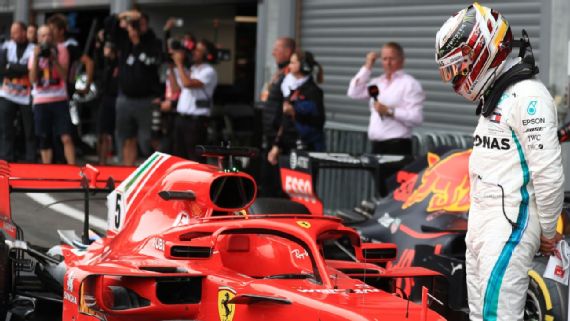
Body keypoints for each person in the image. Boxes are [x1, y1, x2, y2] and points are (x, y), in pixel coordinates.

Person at [435, 3, 564, 321]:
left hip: (509, 227)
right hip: (482, 224)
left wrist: (548, 230)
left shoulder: (528, 96)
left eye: (458, 67)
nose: (457, 77)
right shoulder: (495, 95)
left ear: (482, 50)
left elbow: (548, 172)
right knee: (481, 316)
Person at [104, 10, 162, 165]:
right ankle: (127, 172)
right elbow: (108, 25)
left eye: (140, 23)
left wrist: (137, 43)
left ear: (146, 24)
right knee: (126, 137)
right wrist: (123, 15)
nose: (136, 27)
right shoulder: (125, 40)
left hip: (146, 100)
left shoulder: (153, 42)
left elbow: (151, 62)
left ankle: (157, 171)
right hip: (125, 99)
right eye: (134, 24)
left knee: (148, 140)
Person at [347, 42, 424, 156]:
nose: (388, 63)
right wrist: (368, 66)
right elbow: (353, 92)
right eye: (384, 59)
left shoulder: (410, 84)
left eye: (392, 59)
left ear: (401, 60)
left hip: (397, 146)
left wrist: (390, 112)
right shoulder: (377, 82)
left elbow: (417, 118)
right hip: (376, 145)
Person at [268, 50, 325, 164]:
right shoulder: (293, 90)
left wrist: (295, 111)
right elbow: (285, 122)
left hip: (306, 148)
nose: (290, 66)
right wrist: (277, 145)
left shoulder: (313, 92)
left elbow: (318, 120)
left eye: (293, 63)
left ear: (303, 66)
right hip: (289, 146)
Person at [28, 25, 75, 164]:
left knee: (66, 136)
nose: (46, 38)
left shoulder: (61, 50)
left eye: (48, 35)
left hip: (59, 98)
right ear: (37, 38)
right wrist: (37, 58)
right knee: (44, 137)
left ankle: (74, 169)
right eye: (42, 35)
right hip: (41, 100)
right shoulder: (34, 52)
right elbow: (32, 80)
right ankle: (46, 171)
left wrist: (54, 59)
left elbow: (65, 76)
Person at [258, 37, 297, 197]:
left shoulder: (289, 77)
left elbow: (287, 112)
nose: (273, 53)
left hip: (280, 142)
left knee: (276, 188)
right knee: (266, 183)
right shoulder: (278, 74)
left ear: (287, 52)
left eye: (277, 49)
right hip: (269, 137)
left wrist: (278, 142)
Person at [170, 39, 218, 161]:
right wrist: (172, 67)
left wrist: (179, 64)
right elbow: (176, 88)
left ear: (207, 54)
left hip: (196, 121)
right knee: (178, 157)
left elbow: (187, 83)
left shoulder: (209, 71)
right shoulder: (192, 69)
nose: (194, 52)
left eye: (198, 50)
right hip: (181, 118)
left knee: (195, 158)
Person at [0, 22, 35, 162]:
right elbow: (2, 68)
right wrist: (20, 69)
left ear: (24, 32)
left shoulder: (33, 48)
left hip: (26, 96)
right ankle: (5, 158)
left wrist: (12, 67)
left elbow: (30, 69)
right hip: (7, 94)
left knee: (29, 130)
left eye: (17, 32)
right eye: (12, 32)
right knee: (5, 129)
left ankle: (30, 160)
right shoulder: (7, 46)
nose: (14, 35)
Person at [95, 41, 119, 165]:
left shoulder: (118, 63)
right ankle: (102, 161)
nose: (106, 50)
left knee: (112, 133)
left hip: (115, 99)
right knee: (101, 133)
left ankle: (112, 157)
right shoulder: (104, 64)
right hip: (104, 99)